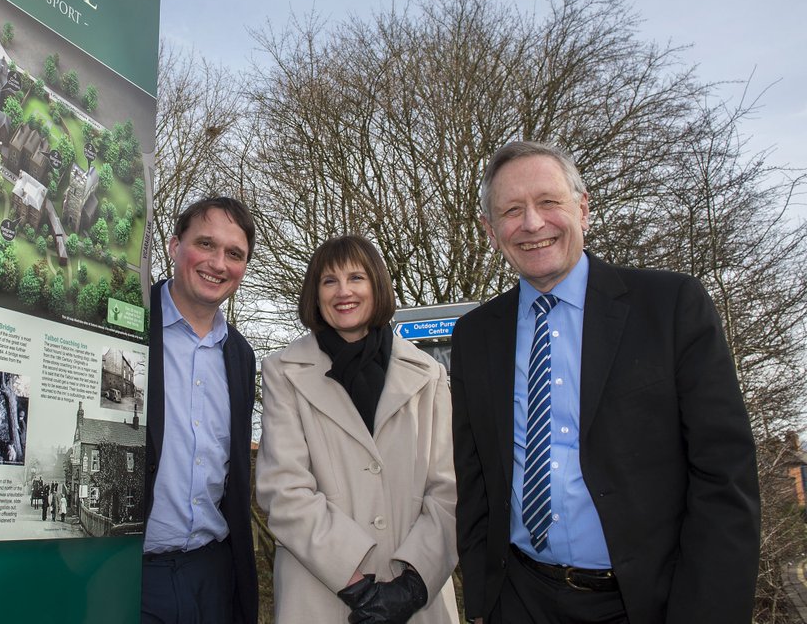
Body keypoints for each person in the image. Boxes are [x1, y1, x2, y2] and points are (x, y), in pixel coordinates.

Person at [450, 141, 760, 624]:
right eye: (512, 211)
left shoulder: (671, 306)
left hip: (647, 602)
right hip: (519, 600)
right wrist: (485, 602)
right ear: (491, 232)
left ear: (583, 208)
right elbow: (475, 482)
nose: (532, 223)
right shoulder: (475, 336)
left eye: (548, 202)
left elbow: (724, 475)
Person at [257, 234, 459, 624]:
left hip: (418, 600)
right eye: (329, 281)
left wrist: (412, 587)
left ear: (377, 286)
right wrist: (359, 588)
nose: (343, 291)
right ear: (315, 295)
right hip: (321, 595)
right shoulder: (282, 372)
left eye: (356, 278)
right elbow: (284, 491)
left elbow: (449, 490)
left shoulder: (429, 374)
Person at [142, 197, 259, 624]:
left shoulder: (241, 355)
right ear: (174, 246)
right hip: (130, 573)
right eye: (205, 244)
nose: (218, 263)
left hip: (214, 575)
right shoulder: (128, 323)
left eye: (234, 254)